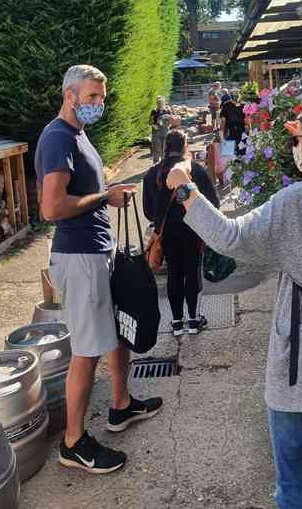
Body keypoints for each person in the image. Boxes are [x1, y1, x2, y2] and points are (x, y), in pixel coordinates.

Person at [167, 104, 302, 508]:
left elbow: (230, 238)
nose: (295, 148)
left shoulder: (297, 199)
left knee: (293, 478)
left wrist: (185, 188)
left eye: (300, 141)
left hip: (301, 361)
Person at [35, 64, 163, 475]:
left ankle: (120, 405)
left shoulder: (77, 135)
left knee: (117, 332)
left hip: (97, 252)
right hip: (79, 258)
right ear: (69, 94)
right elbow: (51, 208)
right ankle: (73, 442)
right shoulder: (57, 137)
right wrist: (101, 198)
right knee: (86, 353)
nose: (98, 104)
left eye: (101, 98)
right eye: (91, 97)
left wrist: (103, 195)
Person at [142, 129, 219, 335]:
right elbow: (214, 203)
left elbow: (148, 211)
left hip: (166, 233)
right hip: (192, 229)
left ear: (165, 147)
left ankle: (177, 322)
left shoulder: (152, 173)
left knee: (174, 273)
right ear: (185, 146)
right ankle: (193, 320)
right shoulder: (193, 170)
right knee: (192, 272)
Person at [149, 96, 172, 164]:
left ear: (164, 103)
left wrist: (168, 125)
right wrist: (154, 126)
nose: (160, 104)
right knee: (156, 148)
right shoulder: (154, 111)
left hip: (165, 131)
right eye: (158, 102)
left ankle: (164, 162)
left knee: (165, 148)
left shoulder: (168, 111)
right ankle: (155, 163)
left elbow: (171, 120)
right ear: (157, 103)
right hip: (156, 132)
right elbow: (150, 122)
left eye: (162, 102)